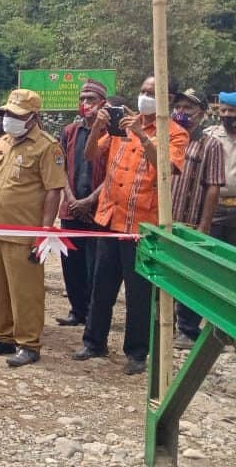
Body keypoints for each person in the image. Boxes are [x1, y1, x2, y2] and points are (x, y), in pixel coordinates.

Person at [74, 76, 189, 375]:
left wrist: (142, 136)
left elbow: (167, 168)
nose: (144, 97)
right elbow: (90, 156)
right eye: (143, 91)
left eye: (152, 92)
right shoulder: (119, 123)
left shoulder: (175, 133)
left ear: (169, 98)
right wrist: (99, 126)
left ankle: (136, 353)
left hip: (143, 226)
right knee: (101, 285)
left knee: (138, 294)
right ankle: (93, 341)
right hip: (110, 218)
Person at [0, 89, 66, 367]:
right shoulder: (2, 142)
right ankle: (2, 336)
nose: (9, 119)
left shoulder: (48, 147)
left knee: (25, 292)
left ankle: (28, 343)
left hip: (23, 233)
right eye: (7, 114)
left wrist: (45, 230)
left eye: (16, 115)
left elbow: (53, 190)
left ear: (33, 117)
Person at [169, 88, 224, 348]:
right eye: (178, 106)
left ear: (202, 113)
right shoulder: (166, 136)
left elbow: (213, 186)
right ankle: (162, 326)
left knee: (190, 277)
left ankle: (187, 329)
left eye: (189, 108)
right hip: (163, 220)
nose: (181, 112)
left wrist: (204, 226)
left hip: (190, 222)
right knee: (162, 274)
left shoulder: (210, 144)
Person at [55, 80, 110, 327]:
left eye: (91, 100)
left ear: (103, 104)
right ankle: (77, 310)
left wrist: (89, 201)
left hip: (98, 210)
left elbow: (114, 175)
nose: (86, 104)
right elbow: (61, 168)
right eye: (83, 99)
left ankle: (92, 314)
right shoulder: (69, 132)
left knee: (95, 267)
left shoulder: (112, 135)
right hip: (71, 207)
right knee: (71, 264)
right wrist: (72, 199)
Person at [207, 91, 236, 246]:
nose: (227, 114)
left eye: (231, 111)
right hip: (214, 207)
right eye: (223, 110)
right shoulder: (210, 135)